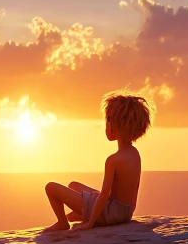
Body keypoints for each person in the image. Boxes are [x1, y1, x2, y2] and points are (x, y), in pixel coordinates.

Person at [42, 89, 156, 232]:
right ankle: (77, 214)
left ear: (114, 126)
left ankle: (62, 222)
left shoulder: (113, 160)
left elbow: (104, 195)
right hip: (125, 213)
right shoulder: (134, 154)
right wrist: (127, 212)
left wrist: (90, 223)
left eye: (107, 121)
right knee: (73, 185)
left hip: (109, 214)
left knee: (51, 187)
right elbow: (135, 188)